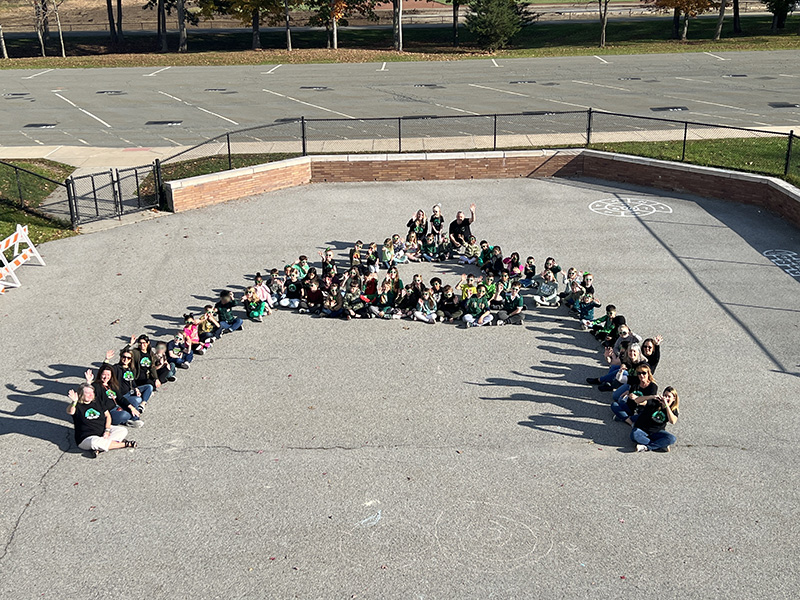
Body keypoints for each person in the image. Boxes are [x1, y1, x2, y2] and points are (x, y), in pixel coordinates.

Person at [67, 384, 136, 456]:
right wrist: (74, 402)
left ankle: (100, 448)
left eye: (92, 393)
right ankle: (124, 444)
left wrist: (107, 430)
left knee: (123, 430)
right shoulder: (77, 405)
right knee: (94, 442)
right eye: (87, 393)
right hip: (86, 438)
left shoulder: (97, 401)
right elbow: (70, 411)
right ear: (81, 394)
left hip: (102, 432)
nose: (90, 395)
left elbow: (108, 416)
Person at [631, 386, 679, 452]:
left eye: (669, 397)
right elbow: (637, 400)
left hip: (657, 431)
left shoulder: (673, 409)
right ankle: (660, 445)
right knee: (634, 435)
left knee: (671, 439)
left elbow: (673, 421)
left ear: (674, 398)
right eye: (665, 395)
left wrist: (666, 406)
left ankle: (647, 447)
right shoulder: (654, 402)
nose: (666, 398)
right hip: (642, 429)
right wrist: (652, 397)